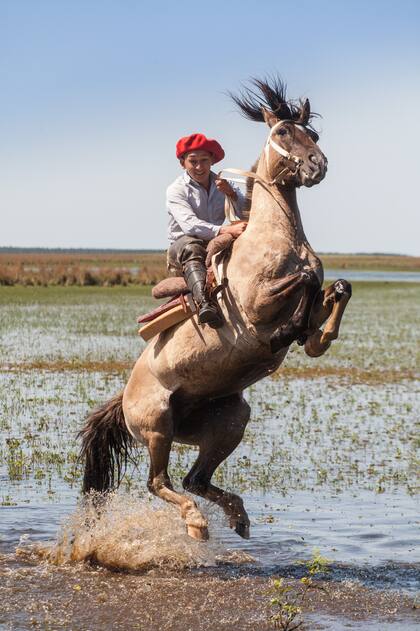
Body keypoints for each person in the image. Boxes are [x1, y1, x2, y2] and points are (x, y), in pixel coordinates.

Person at [166, 133, 247, 328]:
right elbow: (190, 225)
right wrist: (224, 230)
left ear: (212, 161)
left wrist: (232, 194)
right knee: (191, 245)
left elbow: (246, 212)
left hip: (215, 240)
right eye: (193, 161)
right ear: (182, 163)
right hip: (182, 246)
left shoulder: (225, 184)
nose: (199, 167)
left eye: (204, 161)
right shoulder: (176, 190)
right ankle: (205, 304)